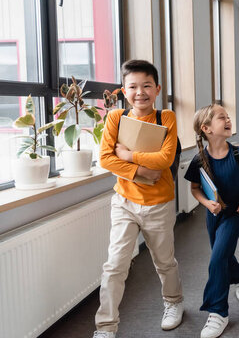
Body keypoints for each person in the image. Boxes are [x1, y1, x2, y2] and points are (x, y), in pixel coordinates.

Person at [94, 60, 183, 338]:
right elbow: (106, 159)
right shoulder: (116, 119)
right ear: (124, 90)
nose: (140, 92)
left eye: (146, 86)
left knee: (164, 262)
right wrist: (143, 170)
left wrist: (129, 156)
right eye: (133, 86)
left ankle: (174, 302)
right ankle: (106, 327)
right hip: (124, 203)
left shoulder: (165, 118)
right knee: (115, 265)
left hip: (159, 204)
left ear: (157, 89)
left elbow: (166, 158)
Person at [184, 104, 239, 338]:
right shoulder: (199, 160)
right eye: (221, 118)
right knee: (223, 254)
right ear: (206, 128)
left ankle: (218, 312)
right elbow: (195, 189)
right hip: (214, 215)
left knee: (217, 259)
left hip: (235, 213)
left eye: (228, 117)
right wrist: (207, 204)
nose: (228, 120)